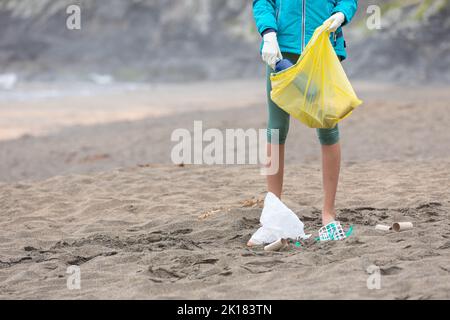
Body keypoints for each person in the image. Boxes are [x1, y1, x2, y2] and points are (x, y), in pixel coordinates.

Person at [248, 0, 358, 246]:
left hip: (322, 48)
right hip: (281, 48)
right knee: (276, 128)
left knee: (328, 127)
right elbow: (263, 2)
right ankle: (272, 219)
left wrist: (341, 14)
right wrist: (268, 32)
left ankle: (328, 214)